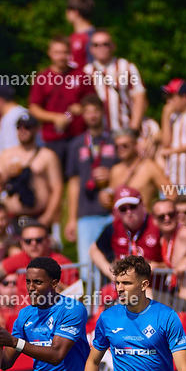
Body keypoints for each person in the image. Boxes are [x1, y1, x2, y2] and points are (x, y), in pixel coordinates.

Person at [28, 36, 94, 169]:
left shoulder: (81, 75)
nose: (61, 57)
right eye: (57, 53)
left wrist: (81, 107)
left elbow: (93, 101)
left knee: (78, 175)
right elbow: (34, 108)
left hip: (79, 136)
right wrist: (55, 118)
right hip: (52, 138)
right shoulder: (42, 77)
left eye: (64, 52)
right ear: (50, 53)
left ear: (69, 54)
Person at [65, 94, 116, 258]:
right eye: (87, 112)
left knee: (116, 264)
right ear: (83, 115)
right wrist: (72, 218)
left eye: (96, 111)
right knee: (88, 267)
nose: (92, 115)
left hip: (113, 212)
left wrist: (111, 176)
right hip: (86, 213)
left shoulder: (115, 140)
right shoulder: (76, 144)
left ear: (102, 112)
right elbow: (73, 182)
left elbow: (126, 170)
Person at [0, 113, 62, 229]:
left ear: (36, 129)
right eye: (19, 127)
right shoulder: (5, 155)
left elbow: (57, 188)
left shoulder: (47, 156)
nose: (22, 130)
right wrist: (7, 176)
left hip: (39, 217)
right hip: (12, 219)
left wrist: (47, 217)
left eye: (27, 127)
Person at [90, 187, 162, 282]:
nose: (129, 212)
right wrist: (109, 271)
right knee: (103, 295)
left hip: (154, 288)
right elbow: (93, 249)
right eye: (123, 209)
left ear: (142, 205)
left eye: (132, 206)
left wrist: (158, 266)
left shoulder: (157, 225)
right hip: (123, 287)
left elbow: (172, 260)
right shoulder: (114, 227)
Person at [83, 29, 146, 132]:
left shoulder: (126, 67)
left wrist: (134, 126)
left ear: (113, 46)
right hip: (99, 132)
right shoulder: (87, 71)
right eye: (96, 45)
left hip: (124, 129)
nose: (101, 48)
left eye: (105, 44)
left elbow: (139, 96)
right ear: (91, 49)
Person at [108, 128, 172, 211]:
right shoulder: (115, 170)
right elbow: (111, 200)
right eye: (117, 146)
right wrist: (104, 199)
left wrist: (164, 212)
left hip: (144, 221)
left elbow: (170, 192)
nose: (121, 149)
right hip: (120, 222)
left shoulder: (149, 166)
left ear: (136, 145)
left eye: (125, 145)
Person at [64, 0, 95, 69]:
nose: (66, 13)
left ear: (75, 12)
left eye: (68, 10)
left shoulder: (92, 37)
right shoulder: (72, 36)